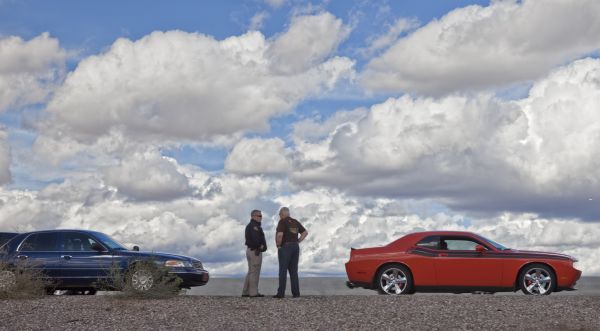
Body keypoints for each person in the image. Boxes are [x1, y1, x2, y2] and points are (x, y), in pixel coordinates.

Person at [274, 207, 308, 298]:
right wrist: (298, 241)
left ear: (282, 214)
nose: (279, 216)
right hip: (295, 247)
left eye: (280, 214)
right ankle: (296, 293)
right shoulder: (295, 222)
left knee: (283, 270)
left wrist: (278, 245)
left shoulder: (282, 221)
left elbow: (280, 234)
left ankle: (280, 294)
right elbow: (305, 232)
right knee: (293, 271)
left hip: (285, 247)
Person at [242, 209, 267, 297]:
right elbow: (255, 239)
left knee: (251, 271)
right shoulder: (254, 226)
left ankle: (246, 292)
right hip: (255, 251)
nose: (261, 217)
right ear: (253, 216)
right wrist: (260, 247)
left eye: (261, 216)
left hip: (251, 250)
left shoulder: (252, 225)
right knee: (254, 272)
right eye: (259, 216)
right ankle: (253, 293)